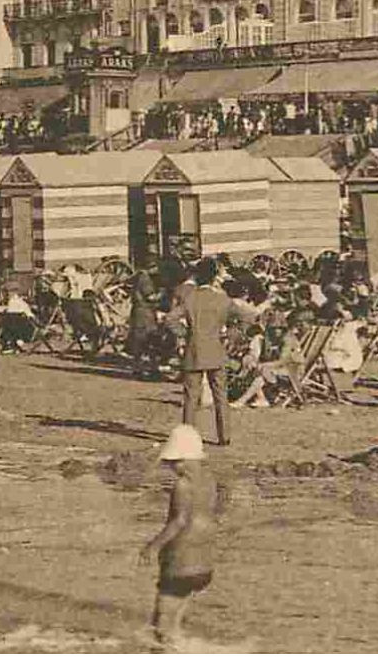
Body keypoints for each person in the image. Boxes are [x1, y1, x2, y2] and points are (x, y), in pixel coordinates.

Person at [139, 424, 214, 651]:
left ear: (182, 458)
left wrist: (152, 547)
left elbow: (179, 521)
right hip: (204, 563)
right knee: (176, 621)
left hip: (181, 562)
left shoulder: (183, 485)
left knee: (159, 627)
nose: (172, 468)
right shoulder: (210, 481)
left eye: (173, 462)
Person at [172, 258, 232, 447]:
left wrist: (185, 333)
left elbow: (169, 319)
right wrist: (231, 335)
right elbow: (247, 316)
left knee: (191, 396)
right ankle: (224, 436)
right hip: (216, 348)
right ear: (214, 276)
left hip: (194, 348)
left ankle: (188, 437)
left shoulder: (190, 298)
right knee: (221, 395)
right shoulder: (222, 298)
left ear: (197, 276)